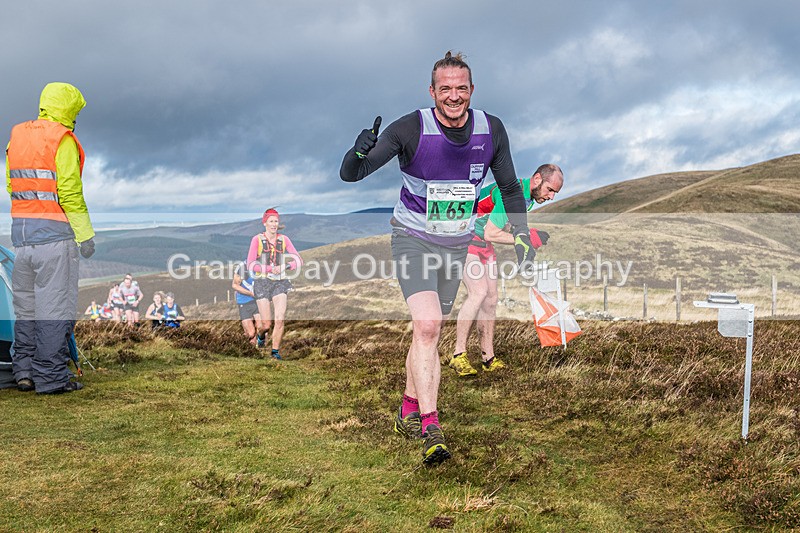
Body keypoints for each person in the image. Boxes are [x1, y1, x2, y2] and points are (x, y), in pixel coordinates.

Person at [339, 51, 536, 465]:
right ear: (432, 92)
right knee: (428, 326)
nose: (453, 96)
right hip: (412, 238)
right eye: (445, 88)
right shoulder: (411, 128)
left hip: (456, 244)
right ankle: (432, 426)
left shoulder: (491, 129)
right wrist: (358, 152)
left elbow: (511, 188)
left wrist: (522, 235)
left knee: (427, 332)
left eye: (461, 88)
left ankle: (408, 407)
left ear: (471, 90)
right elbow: (351, 175)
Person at [6, 82, 95, 394]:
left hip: (22, 240)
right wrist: (85, 236)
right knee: (54, 309)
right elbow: (70, 193)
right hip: (55, 240)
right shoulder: (63, 140)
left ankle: (24, 373)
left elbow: (11, 186)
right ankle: (52, 378)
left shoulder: (16, 137)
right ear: (68, 109)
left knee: (26, 310)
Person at [450, 164, 563, 376]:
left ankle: (488, 357)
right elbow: (491, 233)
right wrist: (525, 240)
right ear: (537, 179)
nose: (551, 197)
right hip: (465, 238)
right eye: (550, 190)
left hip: (484, 243)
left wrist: (528, 234)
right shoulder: (513, 193)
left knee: (491, 299)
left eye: (555, 193)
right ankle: (458, 355)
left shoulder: (527, 200)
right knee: (478, 293)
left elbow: (505, 225)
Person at [246, 208, 303, 360]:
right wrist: (269, 268)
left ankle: (275, 352)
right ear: (264, 223)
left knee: (280, 318)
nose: (274, 224)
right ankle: (261, 335)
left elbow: (298, 260)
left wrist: (285, 267)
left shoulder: (284, 240)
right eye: (271, 221)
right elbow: (250, 264)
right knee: (266, 324)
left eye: (276, 221)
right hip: (262, 282)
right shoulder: (257, 240)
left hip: (280, 282)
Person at [232, 261, 262, 346]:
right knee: (251, 333)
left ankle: (260, 351)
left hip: (258, 301)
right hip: (244, 301)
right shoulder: (242, 266)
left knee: (261, 328)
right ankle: (236, 344)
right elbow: (235, 285)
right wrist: (251, 294)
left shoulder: (265, 265)